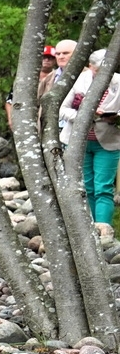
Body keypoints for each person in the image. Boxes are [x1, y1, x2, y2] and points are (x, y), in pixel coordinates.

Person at [61, 49, 120, 230]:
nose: (102, 75)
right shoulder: (78, 81)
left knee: (103, 187)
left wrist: (114, 116)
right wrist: (85, 115)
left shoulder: (118, 81)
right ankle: (88, 229)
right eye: (97, 71)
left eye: (106, 71)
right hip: (79, 142)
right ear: (90, 67)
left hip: (108, 141)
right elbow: (62, 109)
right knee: (86, 188)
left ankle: (104, 229)